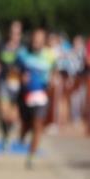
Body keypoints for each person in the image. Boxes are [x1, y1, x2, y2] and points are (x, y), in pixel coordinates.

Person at [16, 27, 55, 169]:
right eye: (34, 39)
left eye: (40, 40)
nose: (36, 42)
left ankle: (31, 157)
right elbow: (15, 71)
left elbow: (54, 72)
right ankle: (22, 134)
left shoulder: (50, 56)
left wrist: (52, 80)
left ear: (44, 41)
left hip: (41, 95)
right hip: (25, 96)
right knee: (27, 125)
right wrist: (21, 77)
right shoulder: (23, 54)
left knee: (38, 126)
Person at [0, 20, 24, 150]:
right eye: (12, 32)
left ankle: (8, 132)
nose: (14, 35)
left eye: (17, 33)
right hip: (4, 83)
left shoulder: (24, 49)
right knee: (4, 113)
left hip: (18, 85)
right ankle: (5, 135)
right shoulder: (1, 46)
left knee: (13, 115)